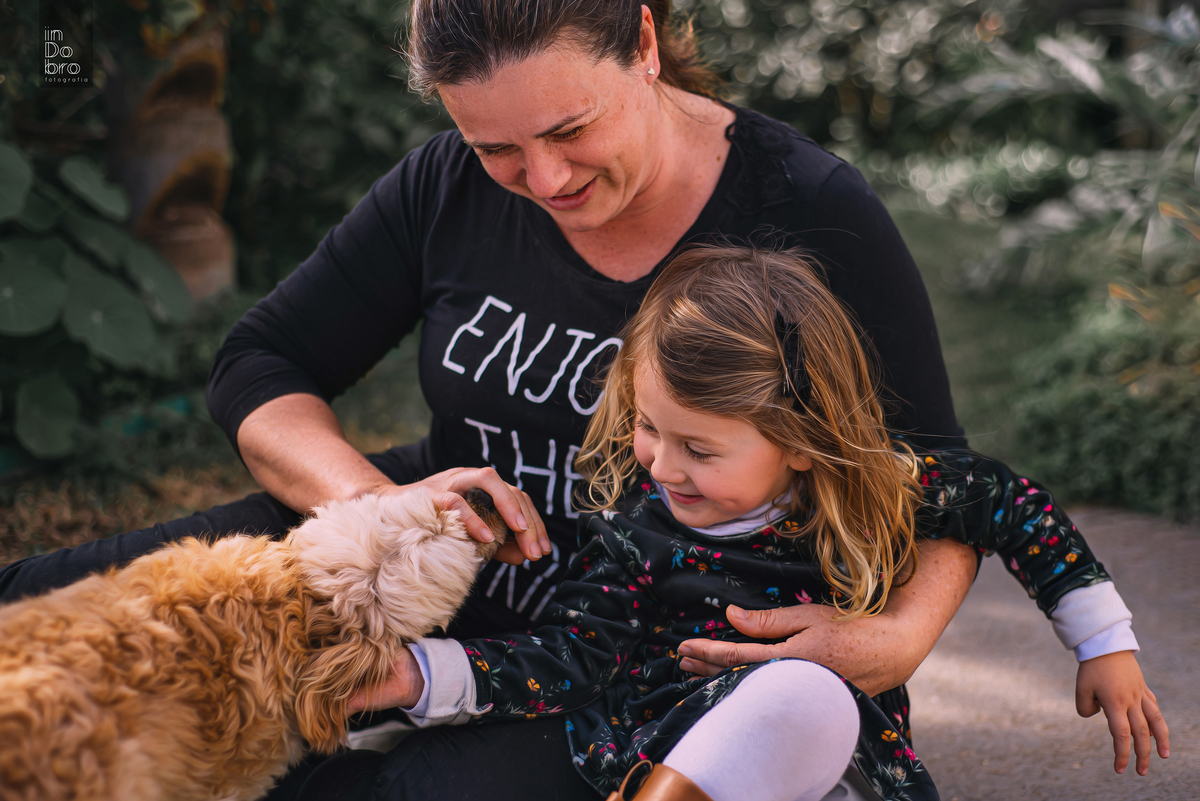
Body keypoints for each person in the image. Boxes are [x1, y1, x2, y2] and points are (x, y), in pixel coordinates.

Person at [4, 0, 971, 787]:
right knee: (45, 602)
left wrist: (896, 636)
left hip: (647, 644)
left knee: (381, 786)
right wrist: (377, 507)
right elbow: (262, 366)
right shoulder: (444, 187)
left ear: (641, 42)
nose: (541, 178)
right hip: (429, 574)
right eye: (494, 147)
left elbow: (949, 474)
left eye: (569, 129)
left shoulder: (805, 206)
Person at [338, 246, 1168, 801]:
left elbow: (1010, 501)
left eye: (699, 448)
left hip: (829, 747)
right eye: (648, 426)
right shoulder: (638, 529)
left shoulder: (878, 491)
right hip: (664, 756)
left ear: (801, 442)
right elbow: (565, 657)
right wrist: (415, 674)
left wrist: (1106, 645)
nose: (661, 465)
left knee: (808, 694)